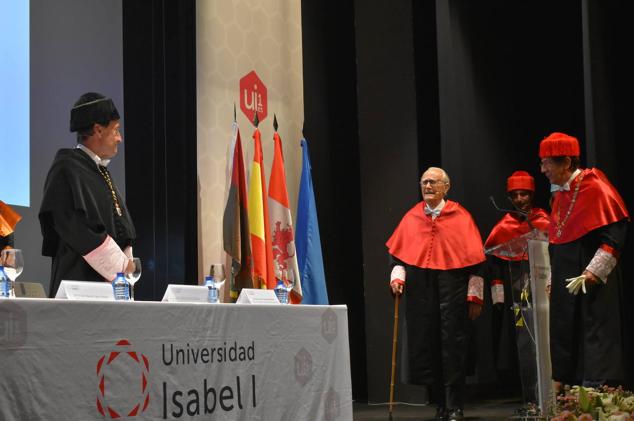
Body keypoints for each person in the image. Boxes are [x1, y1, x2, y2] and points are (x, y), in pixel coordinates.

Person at [386, 167, 486, 421]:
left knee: (452, 346)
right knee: (428, 346)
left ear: (446, 187)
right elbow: (398, 256)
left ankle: (455, 405)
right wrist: (397, 277)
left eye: (433, 182)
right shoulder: (411, 217)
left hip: (453, 290)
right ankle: (440, 404)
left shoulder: (461, 216)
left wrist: (474, 297)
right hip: (421, 292)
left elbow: (476, 265)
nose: (427, 186)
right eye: (424, 182)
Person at [539, 132, 629, 388]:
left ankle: (597, 390)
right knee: (567, 333)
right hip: (566, 283)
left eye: (547, 163)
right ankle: (571, 392)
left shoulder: (596, 186)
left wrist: (593, 272)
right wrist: (553, 279)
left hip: (592, 281)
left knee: (594, 334)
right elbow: (558, 243)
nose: (543, 169)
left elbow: (615, 235)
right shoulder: (560, 196)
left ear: (566, 162)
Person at [39, 92, 136, 297]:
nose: (120, 138)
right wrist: (122, 267)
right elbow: (76, 227)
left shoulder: (100, 171)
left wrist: (127, 268)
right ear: (98, 129)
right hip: (78, 286)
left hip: (110, 289)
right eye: (116, 130)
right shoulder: (66, 168)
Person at [482, 171, 550, 407]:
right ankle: (529, 396)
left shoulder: (543, 220)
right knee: (522, 343)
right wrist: (498, 297)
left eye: (524, 194)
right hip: (517, 297)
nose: (520, 199)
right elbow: (495, 268)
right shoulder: (503, 227)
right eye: (515, 195)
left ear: (532, 194)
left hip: (544, 291)